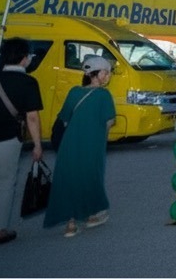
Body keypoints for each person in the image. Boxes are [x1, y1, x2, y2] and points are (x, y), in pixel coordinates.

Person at [44, 55, 117, 237]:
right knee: (90, 176)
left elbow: (64, 118)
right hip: (93, 143)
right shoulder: (103, 95)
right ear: (95, 74)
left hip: (70, 142)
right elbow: (109, 121)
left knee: (70, 178)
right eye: (105, 73)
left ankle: (70, 224)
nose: (108, 76)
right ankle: (91, 215)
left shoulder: (74, 92)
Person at [0, 38, 44, 246]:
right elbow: (32, 117)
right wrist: (37, 145)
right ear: (23, 58)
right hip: (9, 139)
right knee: (4, 183)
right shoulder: (28, 82)